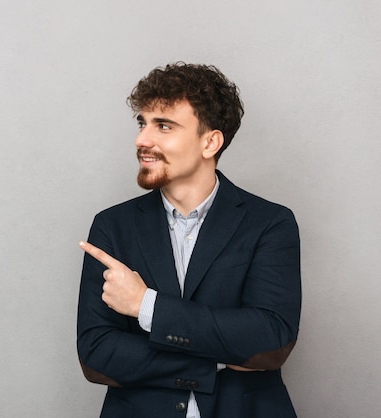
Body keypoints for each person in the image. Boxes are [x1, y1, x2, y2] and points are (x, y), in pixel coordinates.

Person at [77, 62, 301, 418]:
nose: (142, 140)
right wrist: (214, 362)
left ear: (210, 141)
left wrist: (145, 306)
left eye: (163, 126)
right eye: (142, 123)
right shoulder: (111, 226)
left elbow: (270, 341)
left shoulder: (270, 223)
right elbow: (97, 354)